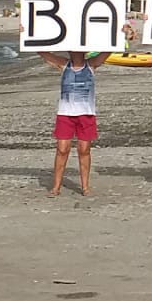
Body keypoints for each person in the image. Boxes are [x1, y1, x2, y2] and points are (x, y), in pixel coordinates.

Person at [40, 37, 115, 198]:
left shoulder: (92, 64)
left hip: (86, 114)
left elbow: (109, 49)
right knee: (62, 149)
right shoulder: (63, 64)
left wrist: (121, 34)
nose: (76, 51)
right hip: (65, 114)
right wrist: (26, 35)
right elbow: (43, 52)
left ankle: (85, 186)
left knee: (84, 149)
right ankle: (56, 186)